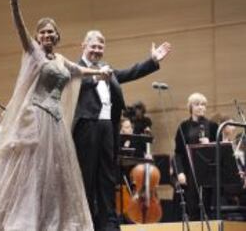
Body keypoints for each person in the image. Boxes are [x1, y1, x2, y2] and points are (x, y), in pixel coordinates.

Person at [0, 0, 112, 230]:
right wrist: (14, 2)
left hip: (55, 123)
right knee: (30, 172)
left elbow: (78, 71)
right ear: (38, 36)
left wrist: (100, 73)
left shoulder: (61, 59)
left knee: (53, 175)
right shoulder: (33, 52)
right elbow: (20, 28)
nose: (47, 35)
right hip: (36, 118)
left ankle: (50, 220)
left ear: (57, 35)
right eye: (42, 31)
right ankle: (25, 220)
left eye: (51, 31)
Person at [73, 30, 171, 230]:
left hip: (108, 128)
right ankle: (87, 223)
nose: (97, 50)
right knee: (87, 179)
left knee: (108, 179)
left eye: (101, 47)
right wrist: (96, 77)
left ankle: (108, 224)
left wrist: (151, 61)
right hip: (87, 129)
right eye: (93, 46)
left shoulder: (106, 69)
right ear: (83, 45)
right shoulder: (76, 69)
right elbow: (73, 85)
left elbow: (129, 72)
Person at [173, 92, 218, 221]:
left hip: (208, 174)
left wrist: (210, 145)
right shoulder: (183, 126)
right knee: (192, 210)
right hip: (190, 173)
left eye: (203, 104)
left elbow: (220, 151)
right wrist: (180, 172)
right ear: (190, 107)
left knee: (208, 209)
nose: (201, 107)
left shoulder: (213, 126)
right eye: (197, 104)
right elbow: (178, 153)